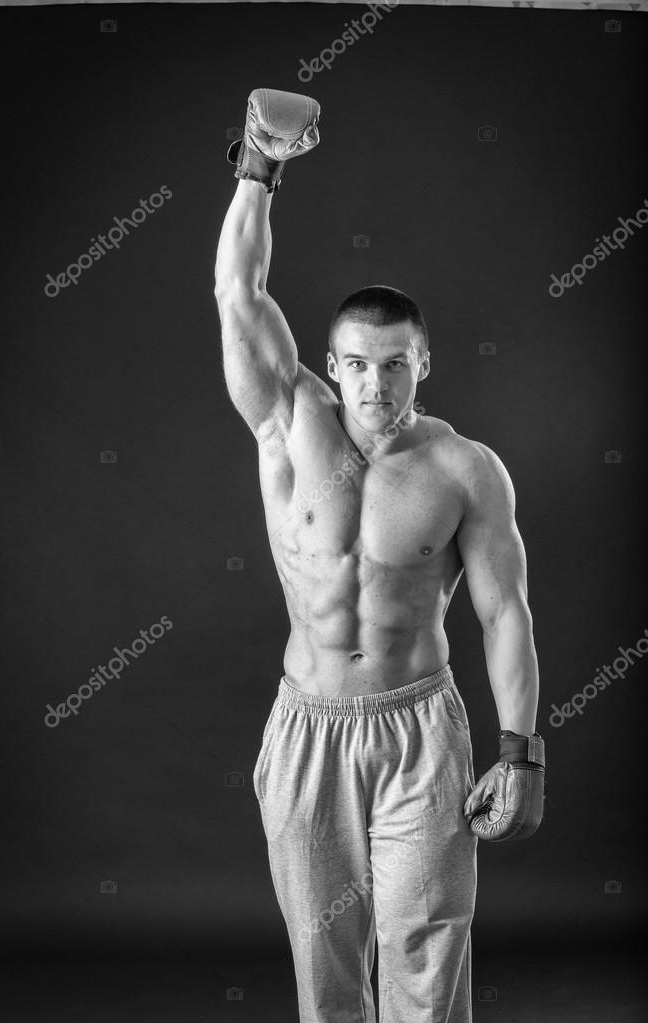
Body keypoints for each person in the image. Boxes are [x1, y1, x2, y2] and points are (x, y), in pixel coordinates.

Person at [214, 88, 546, 1023]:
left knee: (427, 940)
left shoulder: (465, 469)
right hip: (308, 724)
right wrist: (259, 169)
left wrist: (522, 753)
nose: (376, 382)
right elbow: (239, 293)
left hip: (418, 731)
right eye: (357, 362)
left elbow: (504, 611)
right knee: (323, 952)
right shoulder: (287, 422)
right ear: (329, 361)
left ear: (425, 363)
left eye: (396, 362)